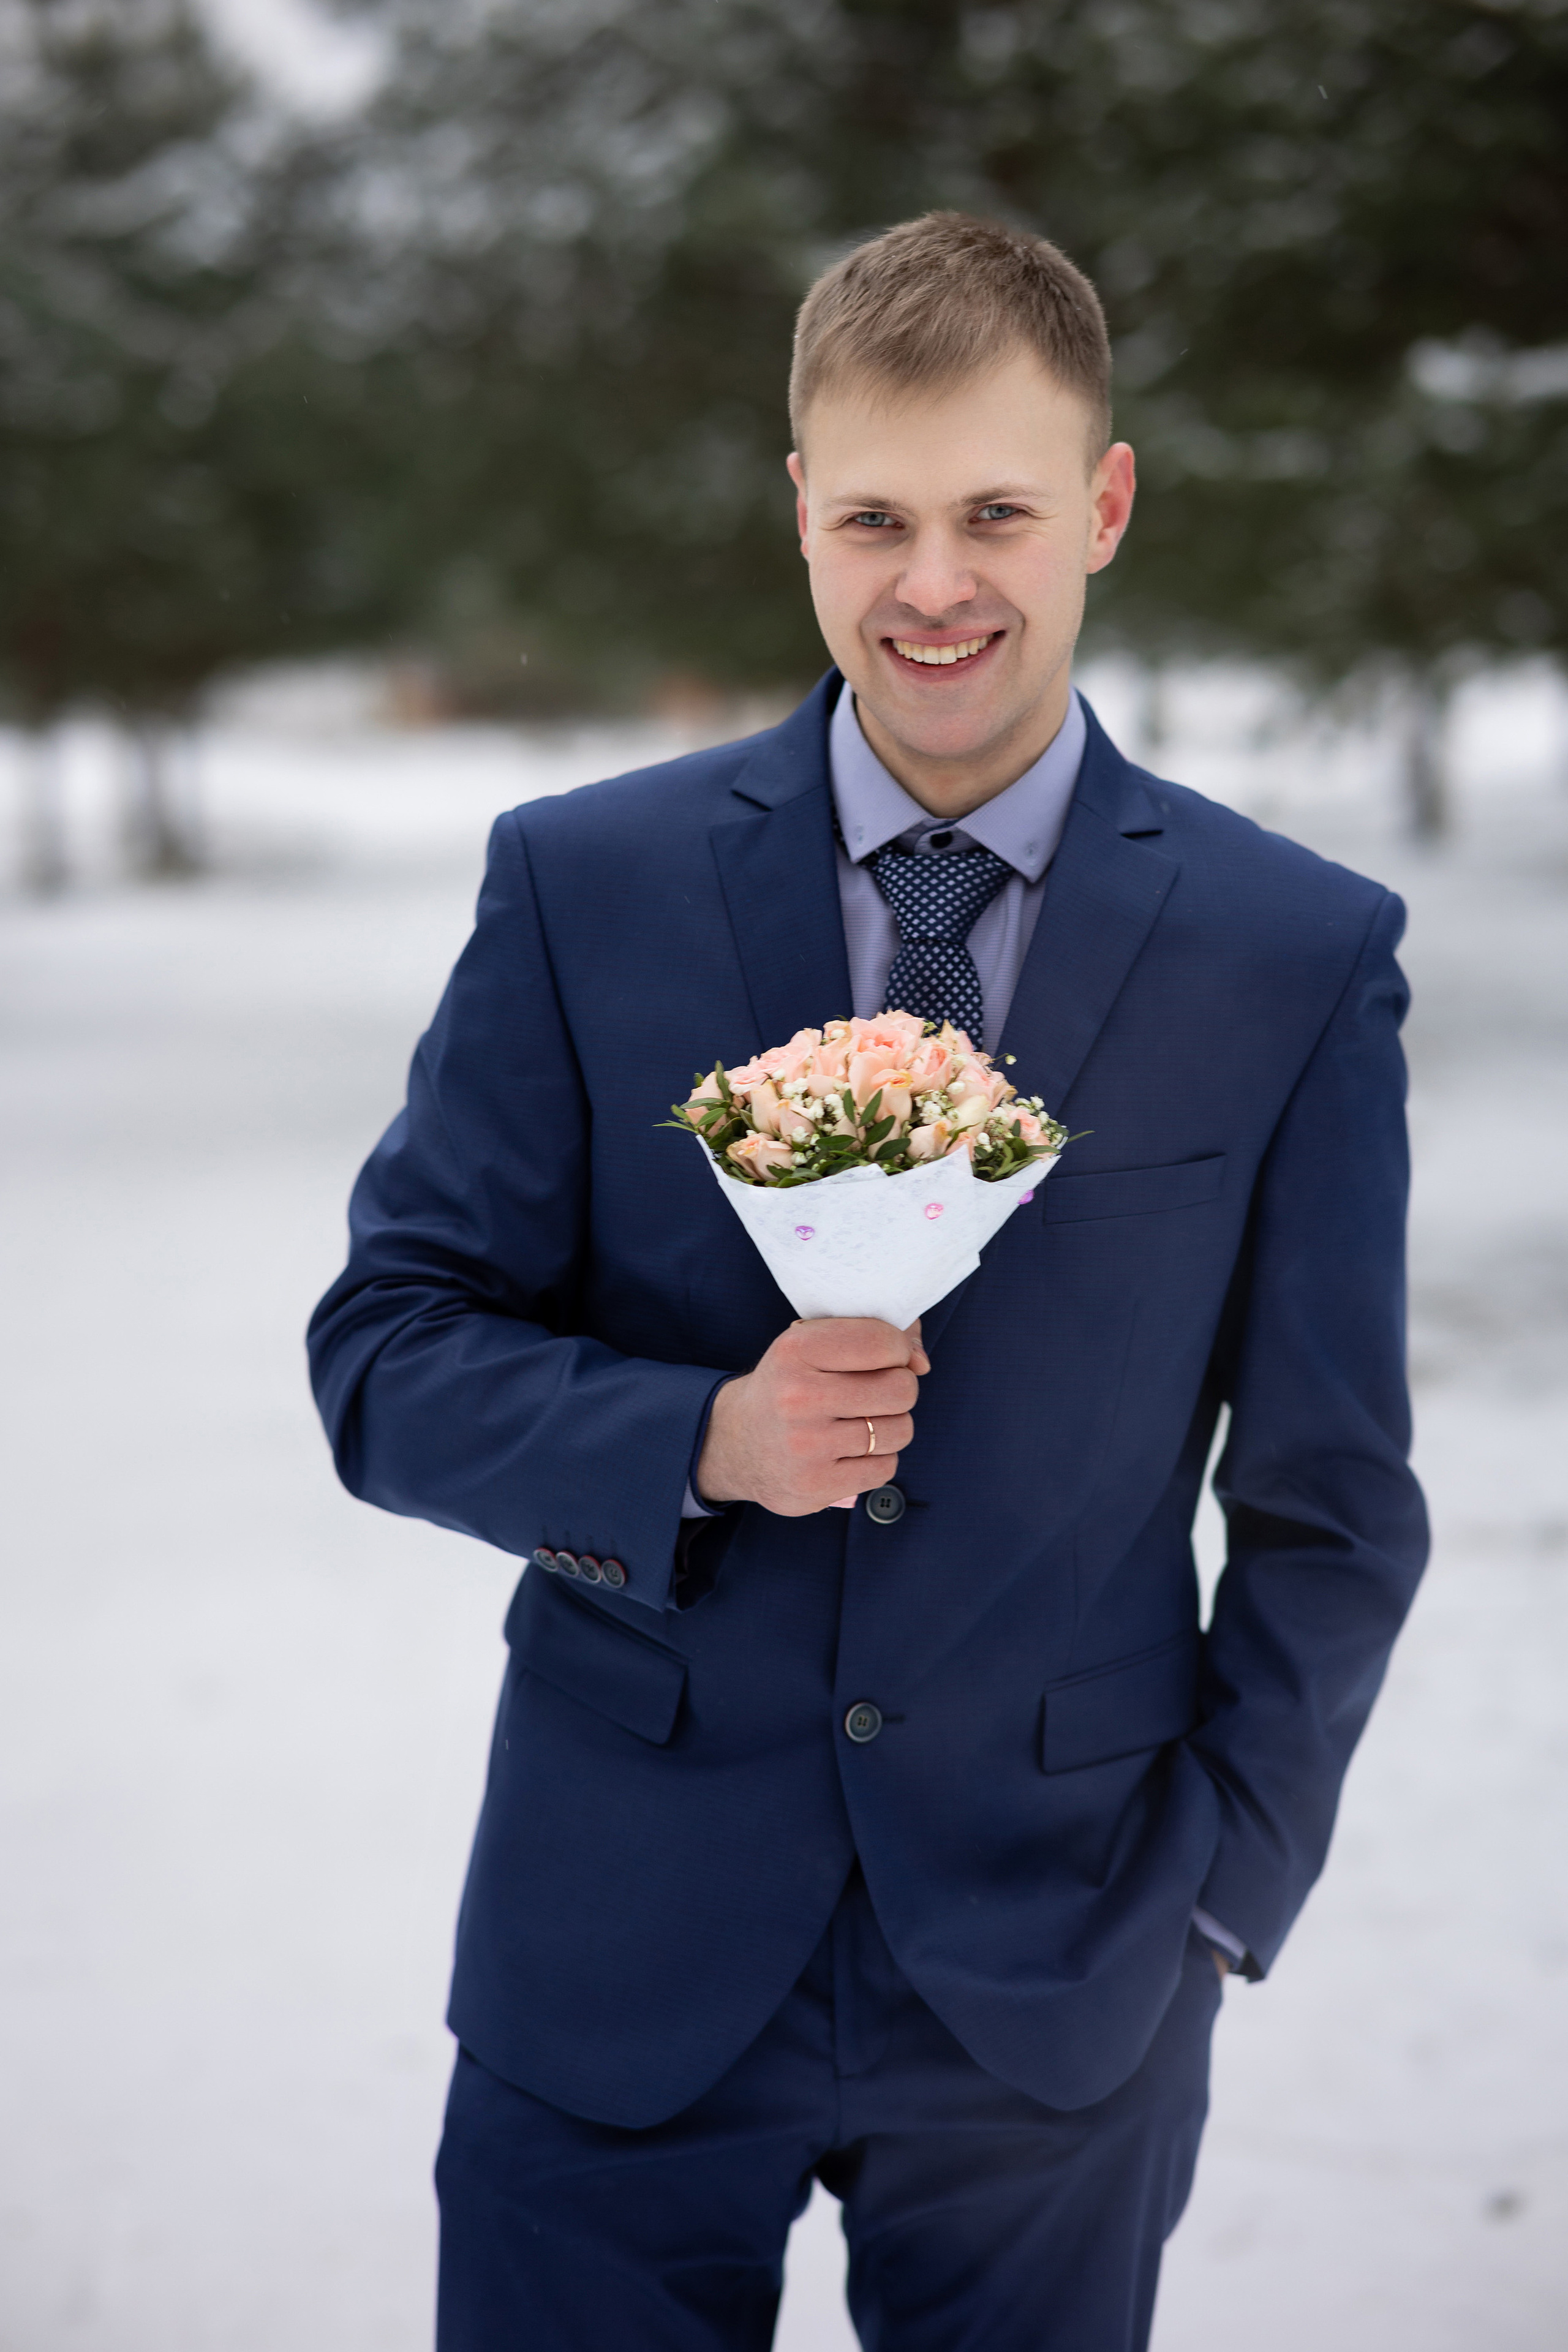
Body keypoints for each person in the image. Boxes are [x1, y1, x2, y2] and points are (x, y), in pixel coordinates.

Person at [308, 212, 1428, 2351]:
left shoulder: (1290, 955)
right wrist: (695, 1440)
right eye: (876, 517)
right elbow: (386, 1353)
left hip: (1061, 1976)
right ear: (797, 511)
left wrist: (1213, 1904)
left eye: (998, 511)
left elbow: (1333, 1501)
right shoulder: (582, 886)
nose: (935, 584)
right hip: (614, 1957)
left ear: (1103, 503)